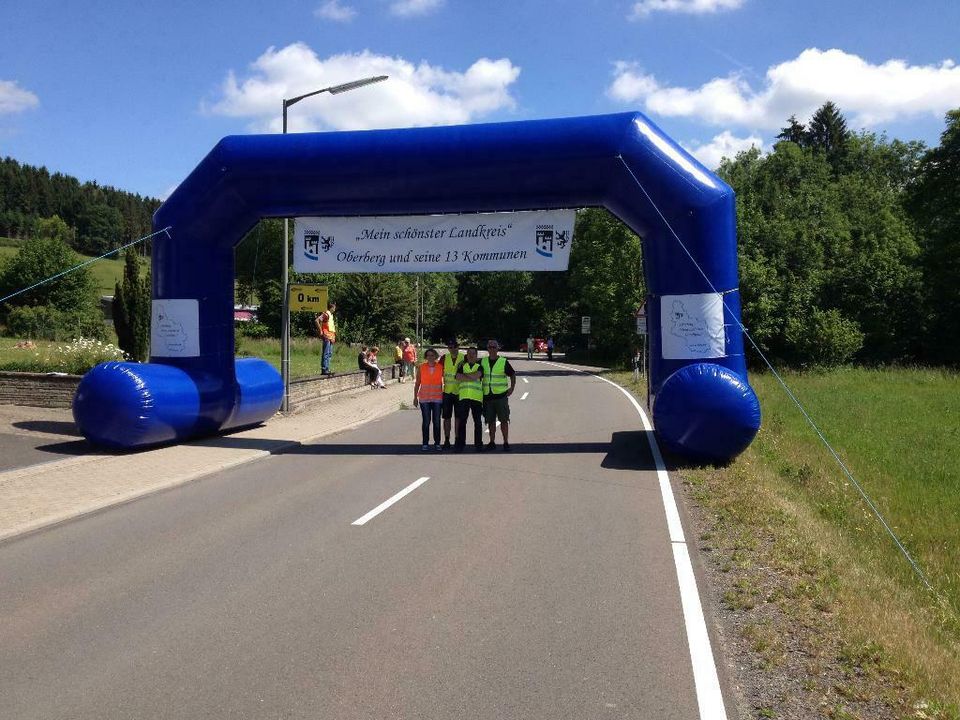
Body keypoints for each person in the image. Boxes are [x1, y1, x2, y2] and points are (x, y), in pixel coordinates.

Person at [481, 339, 517, 451]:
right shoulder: (482, 361)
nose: (491, 349)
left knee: (504, 420)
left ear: (497, 349)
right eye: (490, 347)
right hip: (488, 396)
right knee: (490, 421)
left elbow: (512, 374)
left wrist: (512, 388)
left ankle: (506, 442)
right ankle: (492, 442)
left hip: (501, 396)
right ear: (487, 349)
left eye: (494, 347)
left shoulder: (503, 361)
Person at [454, 347, 484, 453]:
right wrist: (472, 377)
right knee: (462, 422)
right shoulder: (462, 365)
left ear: (476, 355)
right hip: (464, 397)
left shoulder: (480, 366)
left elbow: (477, 375)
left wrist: (465, 376)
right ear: (466, 355)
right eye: (469, 354)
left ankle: (478, 445)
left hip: (476, 398)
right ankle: (460, 445)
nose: (471, 355)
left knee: (478, 422)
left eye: (473, 354)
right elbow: (457, 377)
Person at [413, 347, 443, 450]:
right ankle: (425, 443)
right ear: (426, 357)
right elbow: (417, 383)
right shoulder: (421, 367)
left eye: (432, 355)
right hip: (424, 398)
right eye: (428, 355)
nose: (430, 357)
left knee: (437, 421)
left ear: (435, 356)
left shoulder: (440, 367)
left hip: (437, 398)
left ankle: (437, 443)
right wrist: (415, 397)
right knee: (426, 421)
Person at [439, 339, 465, 449]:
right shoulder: (444, 358)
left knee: (458, 417)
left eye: (454, 347)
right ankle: (447, 439)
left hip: (460, 392)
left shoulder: (463, 358)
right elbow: (438, 371)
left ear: (458, 347)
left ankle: (457, 439)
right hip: (447, 392)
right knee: (446, 417)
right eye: (450, 347)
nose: (452, 349)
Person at [315, 302, 337, 375]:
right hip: (327, 336)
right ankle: (324, 369)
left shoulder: (330, 315)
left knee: (329, 353)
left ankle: (327, 368)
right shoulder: (326, 314)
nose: (335, 309)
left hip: (331, 337)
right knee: (326, 353)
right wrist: (321, 331)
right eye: (334, 307)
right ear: (331, 307)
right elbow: (317, 321)